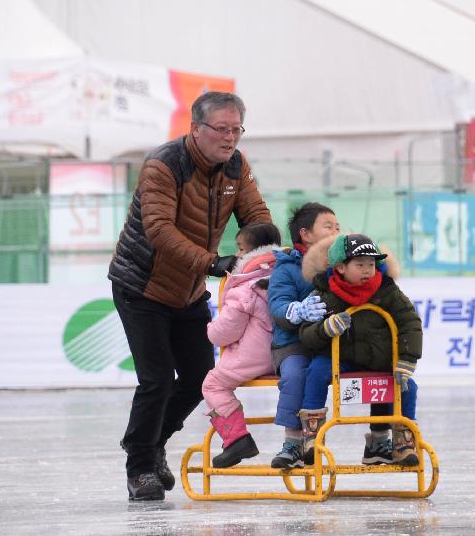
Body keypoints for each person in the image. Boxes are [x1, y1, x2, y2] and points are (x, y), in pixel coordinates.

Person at [108, 91, 271, 501]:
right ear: (196, 129)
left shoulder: (236, 165)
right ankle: (140, 469)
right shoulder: (163, 165)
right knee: (157, 378)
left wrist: (268, 256)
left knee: (200, 377)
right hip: (142, 286)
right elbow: (159, 230)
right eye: (221, 129)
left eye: (236, 129)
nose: (230, 138)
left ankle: (148, 443)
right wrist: (213, 263)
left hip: (189, 291)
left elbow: (256, 216)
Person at [298, 233, 423, 466]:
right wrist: (325, 328)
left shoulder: (387, 291)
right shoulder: (324, 293)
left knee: (407, 385)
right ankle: (311, 439)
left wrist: (407, 359)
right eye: (360, 264)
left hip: (379, 358)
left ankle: (400, 443)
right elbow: (306, 333)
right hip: (339, 358)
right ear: (341, 267)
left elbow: (410, 322)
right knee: (316, 371)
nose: (367, 270)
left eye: (372, 264)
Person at [202, 222, 282, 468]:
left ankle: (236, 439)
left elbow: (225, 331)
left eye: (240, 248)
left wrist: (209, 330)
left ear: (252, 252)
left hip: (254, 356)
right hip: (284, 352)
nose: (236, 255)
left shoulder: (245, 287)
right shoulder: (285, 276)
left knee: (213, 384)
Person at [267, 202, 340, 469]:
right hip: (293, 345)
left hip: (329, 343)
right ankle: (293, 441)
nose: (335, 231)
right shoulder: (287, 269)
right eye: (328, 226)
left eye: (338, 227)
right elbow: (277, 306)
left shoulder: (341, 265)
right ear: (305, 234)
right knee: (297, 373)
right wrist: (297, 311)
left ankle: (380, 437)